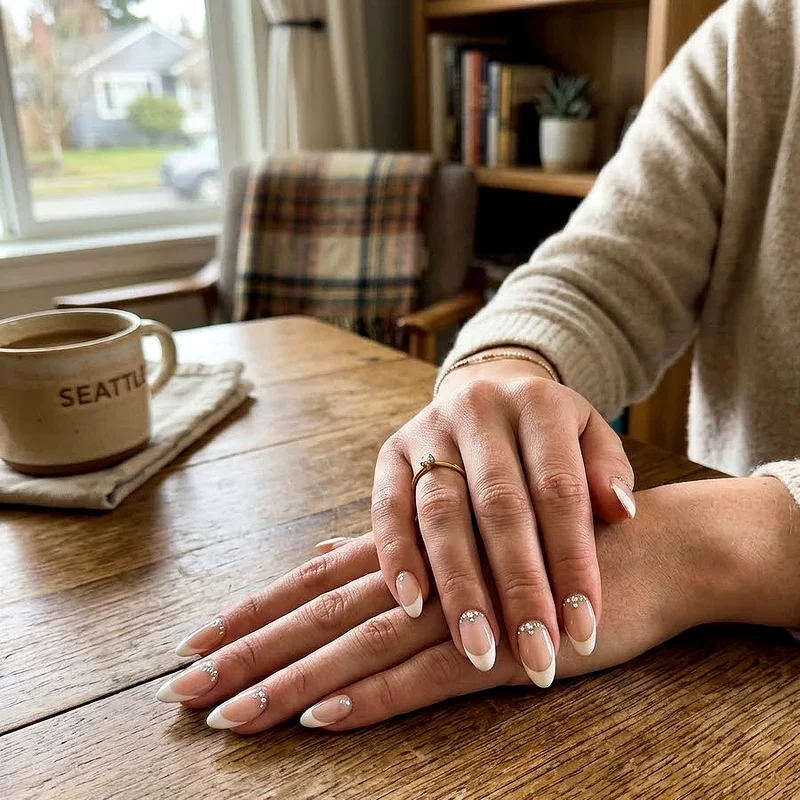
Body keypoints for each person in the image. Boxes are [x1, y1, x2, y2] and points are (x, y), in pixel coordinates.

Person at [157, 0, 800, 731]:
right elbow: (600, 275)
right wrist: (500, 372)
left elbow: (698, 543)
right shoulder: (761, 33)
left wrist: (702, 544)